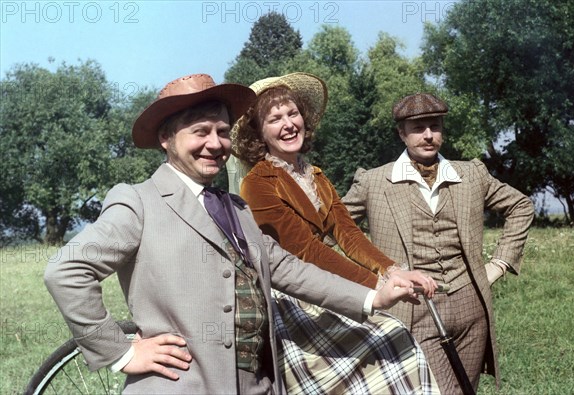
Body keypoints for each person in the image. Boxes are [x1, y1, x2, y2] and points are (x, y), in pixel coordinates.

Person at [44, 74, 428, 395]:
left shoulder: (236, 208)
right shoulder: (139, 202)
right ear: (166, 138)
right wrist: (121, 354)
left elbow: (286, 268)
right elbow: (66, 271)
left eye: (223, 132)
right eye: (200, 132)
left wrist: (374, 296)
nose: (215, 144)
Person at [230, 72, 439, 394]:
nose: (288, 124)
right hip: (294, 294)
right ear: (259, 133)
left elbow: (349, 234)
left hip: (328, 284)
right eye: (275, 119)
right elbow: (305, 251)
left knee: (396, 345)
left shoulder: (316, 175)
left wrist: (393, 269)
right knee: (390, 335)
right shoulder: (258, 182)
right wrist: (378, 287)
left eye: (293, 113)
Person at [342, 92, 535, 393]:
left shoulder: (470, 175)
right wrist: (372, 278)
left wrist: (499, 263)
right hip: (413, 310)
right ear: (401, 133)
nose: (428, 135)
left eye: (435, 126)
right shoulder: (374, 182)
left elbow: (521, 206)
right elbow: (334, 228)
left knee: (465, 388)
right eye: (418, 128)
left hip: (471, 309)